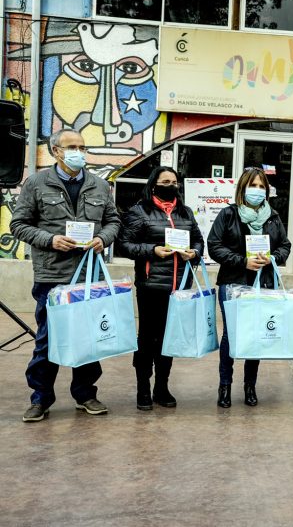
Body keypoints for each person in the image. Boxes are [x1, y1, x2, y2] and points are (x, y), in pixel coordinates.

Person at [10, 128, 121, 422]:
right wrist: (50, 240)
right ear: (56, 151)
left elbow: (113, 221)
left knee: (88, 338)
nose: (79, 152)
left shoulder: (99, 185)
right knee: (48, 339)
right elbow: (18, 224)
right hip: (52, 276)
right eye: (72, 146)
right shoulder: (36, 183)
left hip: (88, 276)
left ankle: (85, 394)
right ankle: (40, 398)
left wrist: (104, 239)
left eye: (83, 147)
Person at [117, 166, 204, 411]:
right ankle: (143, 387)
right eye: (165, 181)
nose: (171, 185)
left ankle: (162, 387)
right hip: (151, 285)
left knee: (169, 339)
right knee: (147, 338)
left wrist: (194, 252)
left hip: (178, 288)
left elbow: (198, 239)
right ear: (153, 184)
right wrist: (152, 250)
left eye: (174, 181)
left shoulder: (184, 212)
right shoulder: (140, 211)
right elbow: (124, 245)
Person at [207, 167, 291, 408]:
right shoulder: (228, 214)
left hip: (261, 283)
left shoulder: (273, 216)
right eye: (252, 186)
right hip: (233, 282)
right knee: (231, 335)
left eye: (261, 186)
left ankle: (250, 386)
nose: (257, 190)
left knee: (256, 335)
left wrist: (272, 257)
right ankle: (225, 386)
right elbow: (214, 246)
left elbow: (285, 245)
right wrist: (243, 261)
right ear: (242, 188)